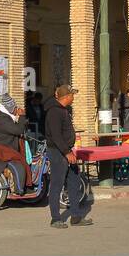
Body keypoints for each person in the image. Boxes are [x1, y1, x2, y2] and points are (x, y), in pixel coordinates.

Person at [45, 85, 90, 229]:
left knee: (74, 181)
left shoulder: (63, 110)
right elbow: (56, 135)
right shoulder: (54, 112)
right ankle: (55, 219)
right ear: (66, 97)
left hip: (66, 151)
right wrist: (66, 152)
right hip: (58, 152)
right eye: (72, 95)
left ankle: (76, 216)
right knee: (57, 184)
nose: (73, 97)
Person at [0, 94, 30, 193]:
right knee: (19, 166)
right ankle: (19, 190)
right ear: (9, 108)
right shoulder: (2, 119)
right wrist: (22, 116)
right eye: (15, 107)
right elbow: (18, 130)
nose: (16, 109)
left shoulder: (3, 117)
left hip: (2, 149)